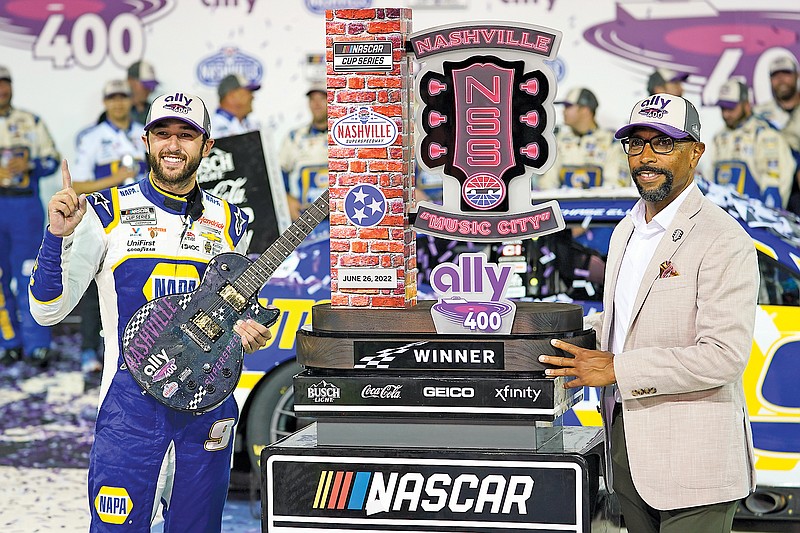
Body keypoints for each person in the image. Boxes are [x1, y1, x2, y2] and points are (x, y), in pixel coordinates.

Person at [28, 92, 271, 531]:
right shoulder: (106, 213)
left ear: (207, 146)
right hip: (130, 410)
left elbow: (236, 318)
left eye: (186, 135)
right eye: (163, 134)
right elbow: (47, 310)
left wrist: (251, 334)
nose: (173, 145)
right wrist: (55, 237)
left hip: (206, 410)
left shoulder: (235, 221)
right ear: (145, 140)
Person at [540, 94, 758, 533]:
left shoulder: (722, 238)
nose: (646, 157)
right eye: (636, 144)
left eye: (663, 143)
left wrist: (618, 369)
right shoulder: (628, 229)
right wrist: (556, 337)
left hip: (696, 463)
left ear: (695, 151)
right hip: (626, 446)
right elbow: (620, 322)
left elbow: (723, 355)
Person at [71, 79, 149, 373]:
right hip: (104, 222)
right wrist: (115, 179)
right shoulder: (92, 138)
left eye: (123, 97)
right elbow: (78, 184)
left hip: (143, 222)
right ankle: (90, 352)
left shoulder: (145, 133)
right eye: (112, 98)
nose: (118, 103)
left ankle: (136, 352)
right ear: (105, 103)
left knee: (137, 286)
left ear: (131, 100)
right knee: (95, 288)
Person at [0, 65, 60, 366]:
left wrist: (30, 166)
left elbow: (52, 158)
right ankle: (7, 342)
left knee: (29, 274)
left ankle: (38, 344)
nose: (2, 90)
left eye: (5, 84)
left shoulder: (30, 121)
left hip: (24, 208)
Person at [711, 78, 794, 209]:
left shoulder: (764, 134)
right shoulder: (719, 137)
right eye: (723, 108)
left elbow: (775, 185)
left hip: (754, 216)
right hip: (723, 214)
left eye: (731, 108)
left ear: (746, 105)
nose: (726, 114)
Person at [537, 87, 628, 190]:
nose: (563, 111)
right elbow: (547, 185)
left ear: (585, 110)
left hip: (601, 205)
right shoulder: (558, 141)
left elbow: (616, 187)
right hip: (563, 205)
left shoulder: (610, 142)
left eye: (568, 106)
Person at [279, 81, 328, 221]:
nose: (316, 104)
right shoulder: (295, 137)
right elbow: (278, 172)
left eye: (322, 98)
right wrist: (286, 198)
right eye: (312, 99)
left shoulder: (345, 135)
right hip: (307, 220)